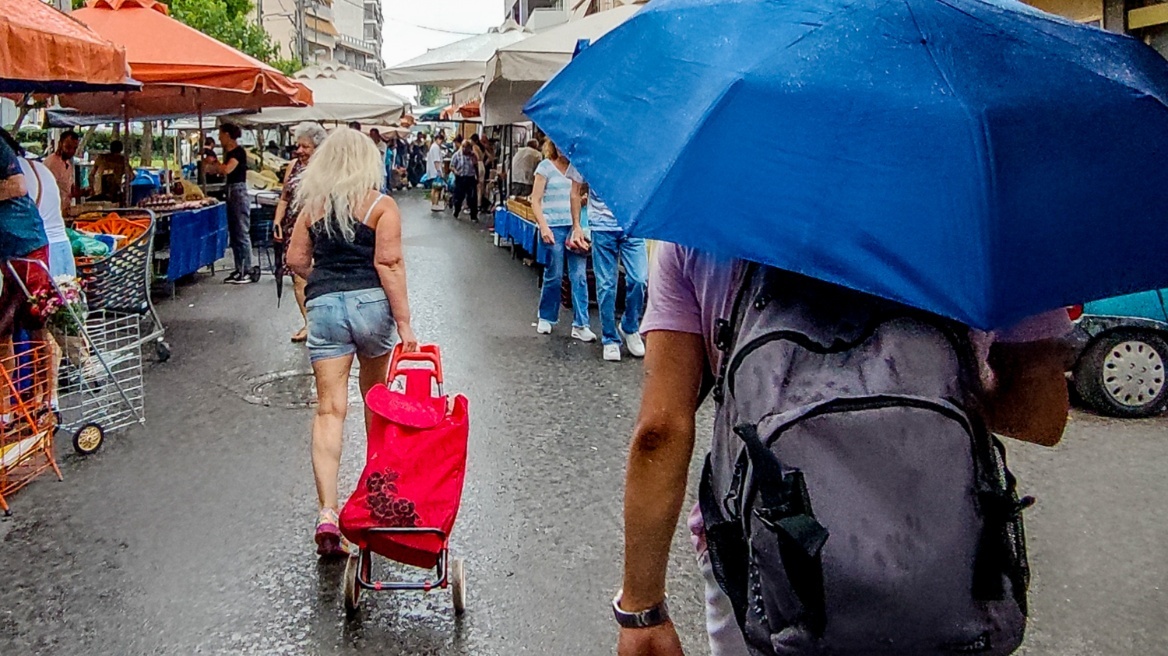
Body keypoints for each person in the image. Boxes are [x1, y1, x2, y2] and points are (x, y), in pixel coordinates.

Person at [615, 243, 1073, 656]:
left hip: (761, 554)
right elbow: (1040, 416)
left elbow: (663, 428)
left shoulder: (701, 233)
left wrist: (642, 610)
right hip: (943, 562)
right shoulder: (984, 232)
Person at [285, 127, 418, 557]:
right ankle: (374, 499)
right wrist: (406, 326)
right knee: (374, 400)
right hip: (371, 307)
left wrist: (325, 286)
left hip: (323, 307)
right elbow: (390, 263)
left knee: (329, 410)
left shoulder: (312, 207)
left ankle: (327, 512)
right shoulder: (381, 206)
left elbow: (295, 260)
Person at [567, 168, 647, 362]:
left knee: (640, 279)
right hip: (602, 226)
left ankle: (629, 325)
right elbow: (575, 190)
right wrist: (577, 226)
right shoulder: (591, 148)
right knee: (606, 286)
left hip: (632, 225)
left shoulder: (634, 148)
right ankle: (610, 338)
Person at [531, 140, 593, 342]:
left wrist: (582, 202)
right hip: (554, 227)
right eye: (558, 145)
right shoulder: (545, 167)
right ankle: (546, 316)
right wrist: (543, 226)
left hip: (575, 228)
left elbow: (580, 196)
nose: (562, 149)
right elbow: (535, 200)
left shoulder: (578, 169)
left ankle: (581, 324)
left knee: (579, 276)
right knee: (554, 274)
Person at [273, 122, 327, 343]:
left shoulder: (326, 168)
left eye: (305, 147)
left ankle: (324, 321)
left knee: (320, 275)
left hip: (320, 228)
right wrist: (277, 220)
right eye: (299, 146)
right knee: (298, 276)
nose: (300, 151)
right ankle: (309, 324)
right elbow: (285, 197)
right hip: (294, 227)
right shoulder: (293, 165)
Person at [0, 128, 50, 338]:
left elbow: (18, 186)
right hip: (7, 249)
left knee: (36, 319)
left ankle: (56, 370)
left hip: (27, 244)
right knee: (7, 326)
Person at [203, 123, 256, 284]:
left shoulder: (238, 152)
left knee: (241, 231)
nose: (219, 138)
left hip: (238, 192)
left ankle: (247, 269)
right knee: (234, 233)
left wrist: (216, 162)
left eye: (220, 134)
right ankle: (238, 268)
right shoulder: (228, 153)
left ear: (227, 135)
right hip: (231, 191)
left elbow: (227, 170)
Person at [44, 130, 82, 209]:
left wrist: (85, 192)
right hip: (53, 211)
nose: (71, 151)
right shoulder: (52, 163)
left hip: (65, 209)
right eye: (68, 147)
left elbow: (70, 190)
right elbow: (47, 191)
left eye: (74, 148)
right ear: (60, 144)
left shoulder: (67, 163)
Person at [449, 141, 479, 222]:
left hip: (470, 178)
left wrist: (477, 177)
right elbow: (451, 166)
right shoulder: (457, 155)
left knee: (472, 197)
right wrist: (455, 171)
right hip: (460, 178)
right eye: (464, 147)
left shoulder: (473, 155)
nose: (465, 149)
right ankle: (456, 211)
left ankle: (473, 216)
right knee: (458, 197)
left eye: (467, 148)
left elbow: (476, 166)